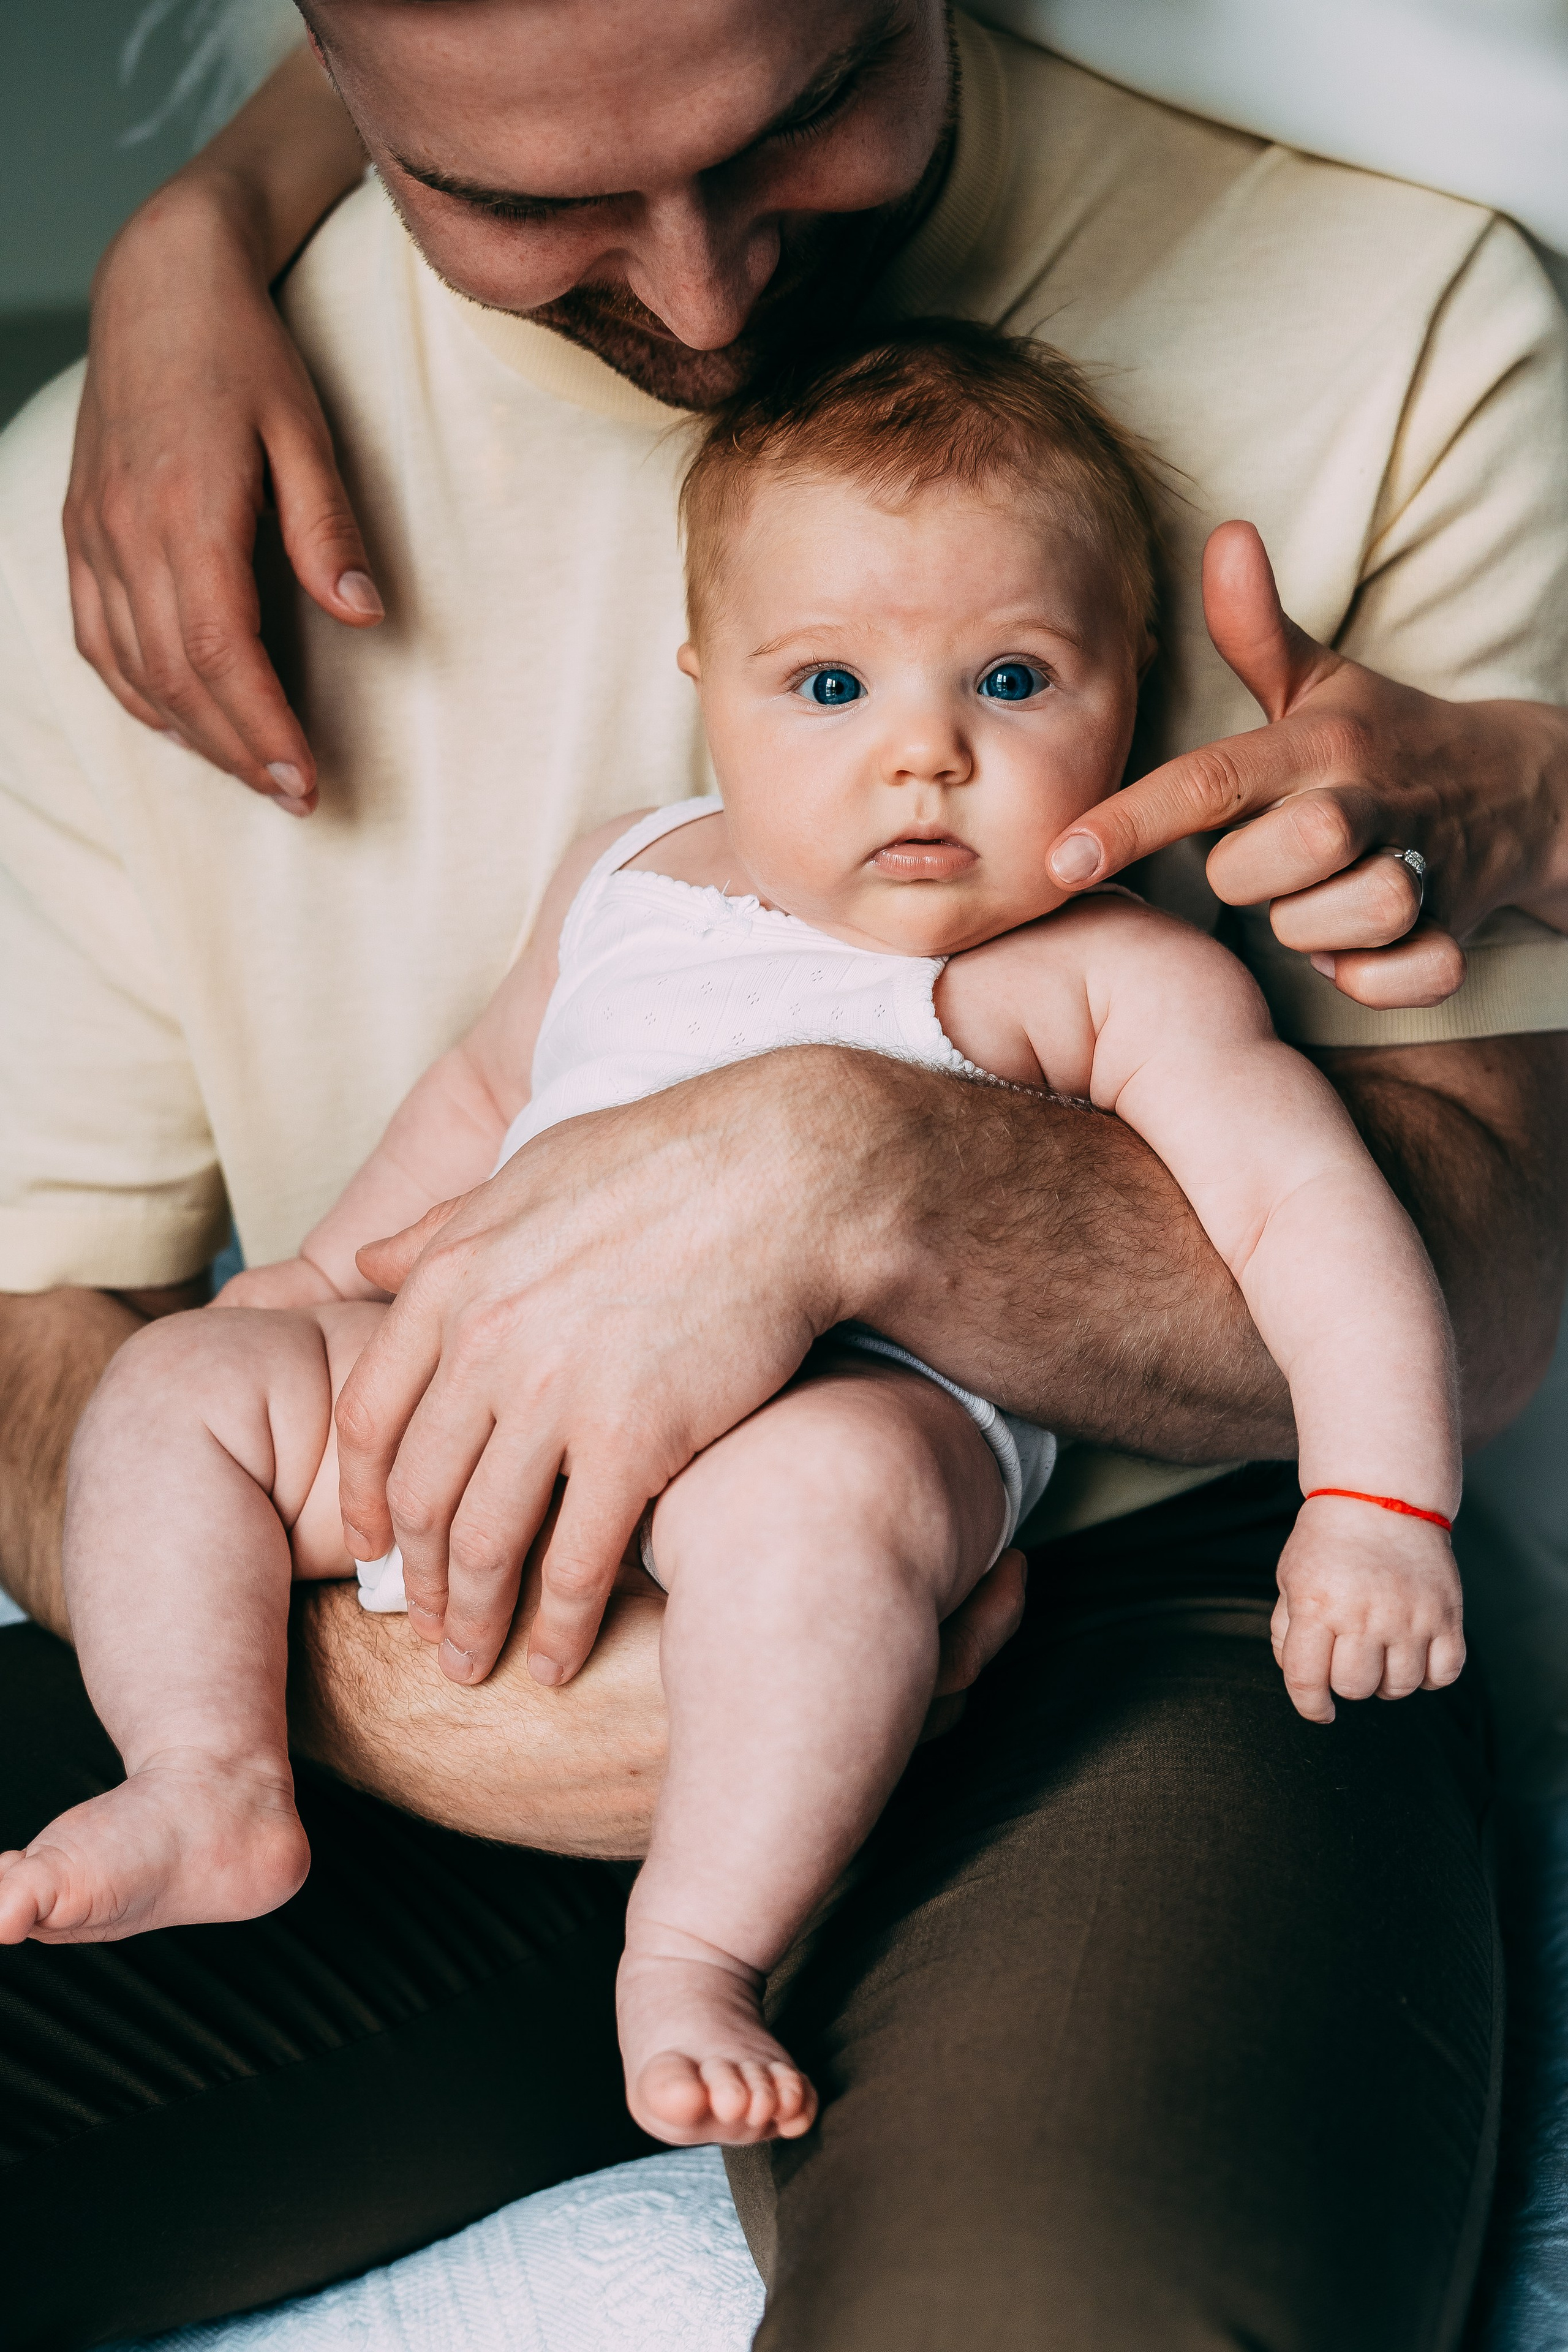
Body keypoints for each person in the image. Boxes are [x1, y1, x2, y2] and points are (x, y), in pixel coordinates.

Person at [1, 5, 1566, 2345]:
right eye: (526, 195)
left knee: (1067, 2307)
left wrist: (871, 1176)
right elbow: (133, 1290)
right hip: (406, 1571)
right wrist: (343, 1474)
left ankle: (706, 1939)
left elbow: (1424, 1247)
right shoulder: (147, 513)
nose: (707, 291)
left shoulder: (1392, 327)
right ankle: (214, 1783)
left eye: (806, 114)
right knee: (184, 1399)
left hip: (1082, 1624)